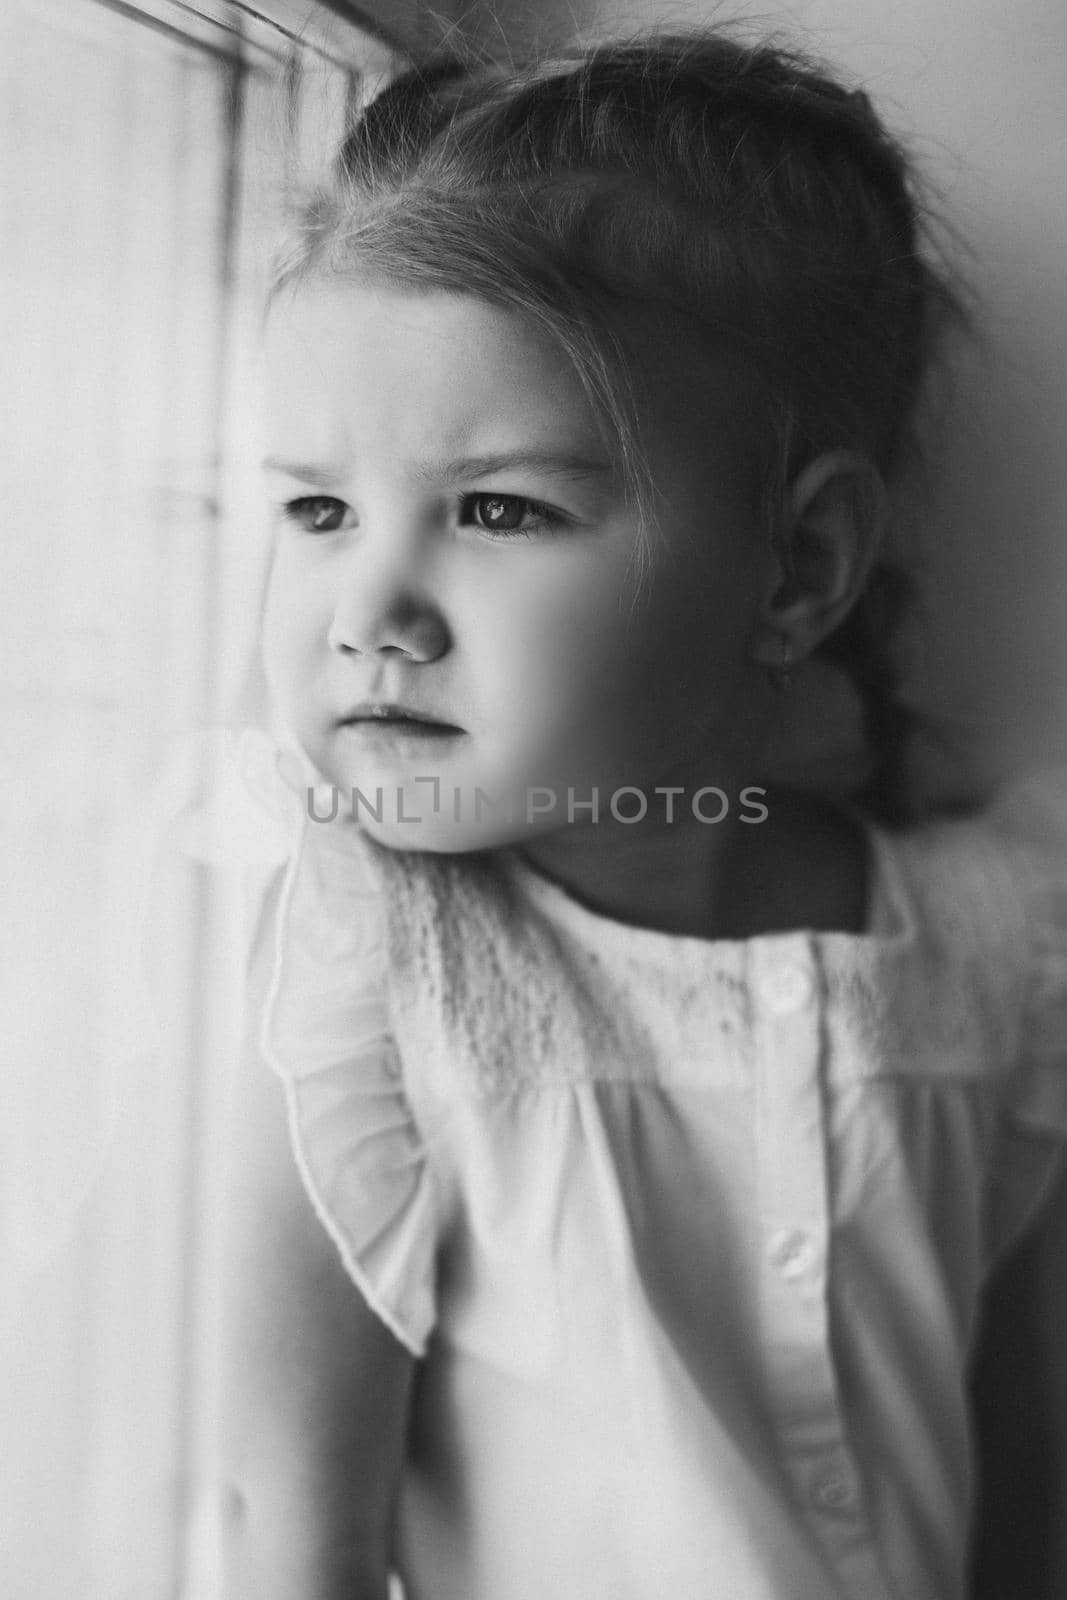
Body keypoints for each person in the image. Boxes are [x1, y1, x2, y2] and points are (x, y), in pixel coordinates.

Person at [202, 27, 1067, 1600]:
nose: (368, 608)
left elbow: (1029, 1490)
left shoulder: (999, 944)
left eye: (500, 509)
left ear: (798, 570)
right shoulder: (377, 969)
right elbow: (286, 1533)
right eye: (317, 507)